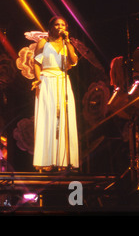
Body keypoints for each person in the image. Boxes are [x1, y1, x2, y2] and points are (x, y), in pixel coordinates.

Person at [31, 16, 79, 171]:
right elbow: (37, 62)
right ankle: (46, 160)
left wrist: (69, 43)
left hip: (63, 80)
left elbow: (72, 61)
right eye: (57, 25)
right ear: (50, 27)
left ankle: (63, 161)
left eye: (63, 25)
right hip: (46, 80)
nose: (60, 27)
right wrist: (38, 80)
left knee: (64, 118)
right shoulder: (44, 42)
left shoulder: (66, 43)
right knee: (48, 118)